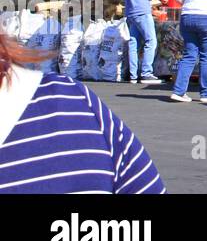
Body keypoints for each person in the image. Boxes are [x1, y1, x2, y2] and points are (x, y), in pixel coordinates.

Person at [0, 26, 164, 193]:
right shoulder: (73, 103)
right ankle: (144, 72)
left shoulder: (76, 104)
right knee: (147, 40)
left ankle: (139, 73)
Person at [123, 0, 168, 84]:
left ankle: (133, 74)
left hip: (132, 9)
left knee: (133, 42)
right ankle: (146, 73)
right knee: (151, 40)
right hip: (141, 10)